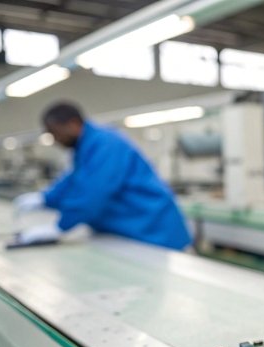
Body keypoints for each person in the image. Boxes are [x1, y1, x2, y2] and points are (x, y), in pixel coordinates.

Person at [13, 101, 191, 251]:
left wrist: (59, 227)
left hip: (152, 228)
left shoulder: (105, 144)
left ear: (73, 124)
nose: (54, 139)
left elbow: (93, 192)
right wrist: (45, 198)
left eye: (54, 132)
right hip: (132, 229)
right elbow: (74, 179)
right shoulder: (85, 147)